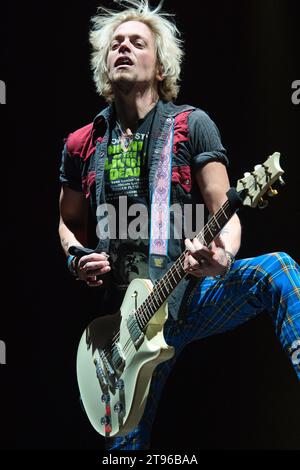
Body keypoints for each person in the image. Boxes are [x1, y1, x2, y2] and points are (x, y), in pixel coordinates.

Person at [58, 0, 300, 450]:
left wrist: (221, 257)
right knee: (125, 448)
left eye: (137, 42)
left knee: (278, 270)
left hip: (188, 293)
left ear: (160, 63)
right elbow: (67, 222)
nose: (124, 48)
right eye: (115, 44)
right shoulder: (82, 143)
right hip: (125, 329)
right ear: (103, 63)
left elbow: (224, 208)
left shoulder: (191, 125)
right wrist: (76, 258)